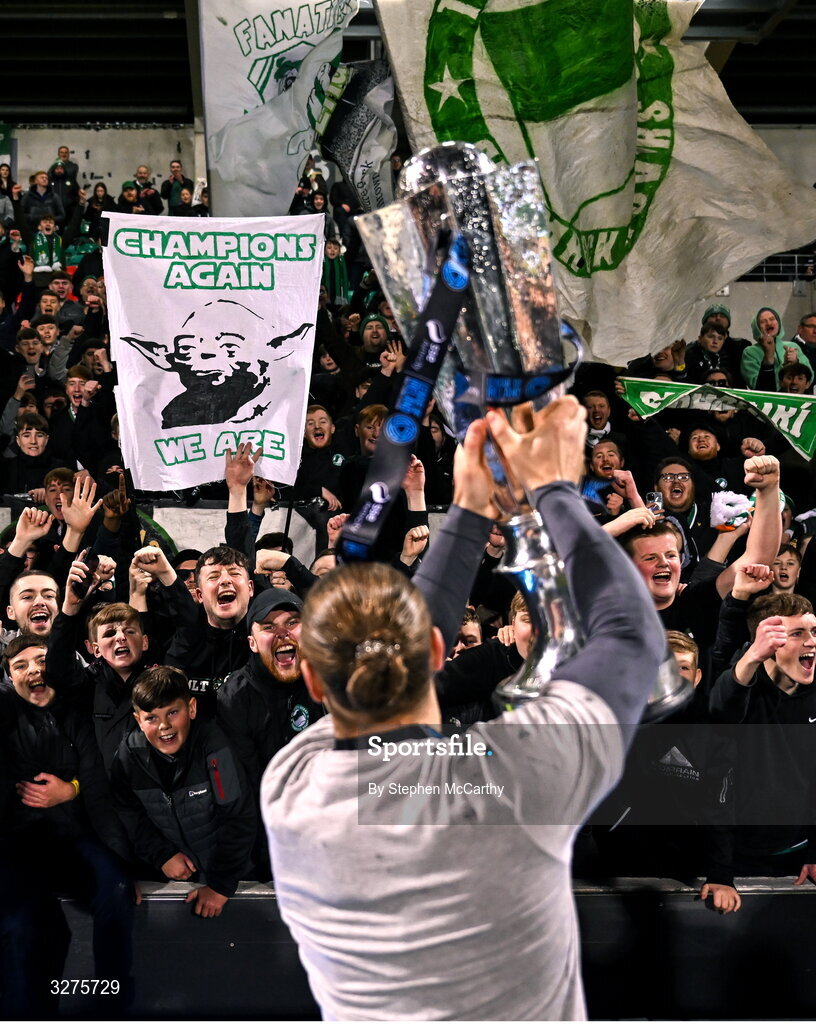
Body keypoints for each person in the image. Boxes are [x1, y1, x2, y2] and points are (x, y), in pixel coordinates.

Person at [261, 399, 666, 1021]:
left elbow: (409, 635)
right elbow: (630, 635)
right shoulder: (511, 783)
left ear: (313, 680)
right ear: (435, 648)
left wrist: (471, 507)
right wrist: (552, 489)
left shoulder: (290, 784)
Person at [111, 666, 256, 917]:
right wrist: (162, 855)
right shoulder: (127, 757)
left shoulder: (214, 748)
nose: (164, 726)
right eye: (152, 718)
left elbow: (239, 816)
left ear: (192, 708)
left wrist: (220, 886)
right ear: (138, 721)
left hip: (232, 880)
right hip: (169, 880)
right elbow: (127, 815)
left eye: (173, 712)